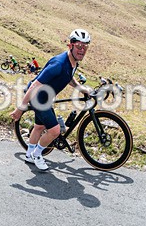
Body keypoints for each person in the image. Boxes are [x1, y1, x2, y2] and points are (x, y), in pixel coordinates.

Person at [9, 29, 92, 172]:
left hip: (45, 98)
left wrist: (80, 88)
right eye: (79, 46)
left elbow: (68, 77)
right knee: (55, 131)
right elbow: (35, 85)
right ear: (70, 46)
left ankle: (29, 155)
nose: (82, 50)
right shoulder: (59, 64)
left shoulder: (73, 62)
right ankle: (37, 154)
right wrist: (20, 108)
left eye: (85, 47)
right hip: (38, 97)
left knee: (39, 127)